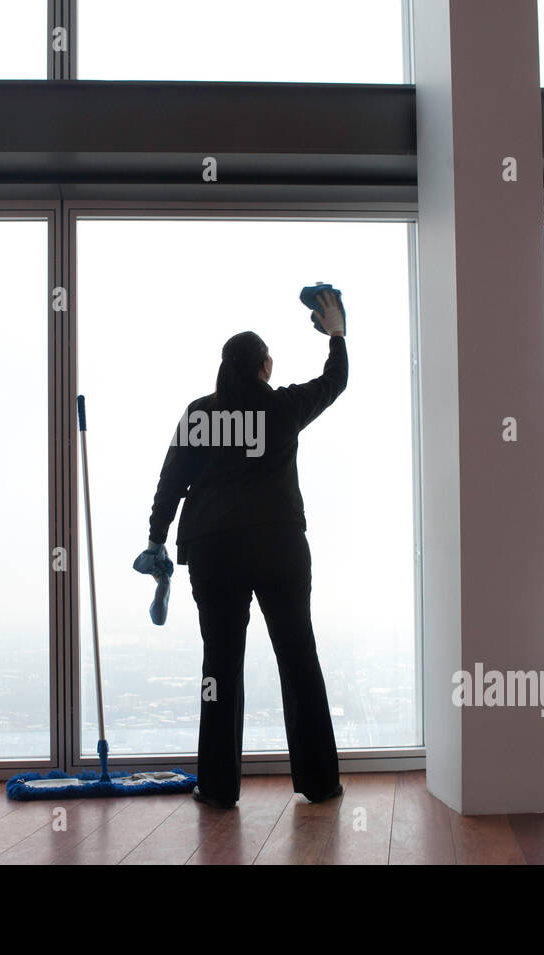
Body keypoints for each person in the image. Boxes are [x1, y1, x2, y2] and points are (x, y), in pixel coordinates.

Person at [139, 290, 348, 809]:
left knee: (220, 665)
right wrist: (337, 335)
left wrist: (156, 538)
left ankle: (215, 786)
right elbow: (334, 382)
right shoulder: (281, 406)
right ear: (265, 366)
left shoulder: (199, 414)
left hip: (214, 551)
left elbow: (171, 480)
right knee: (298, 656)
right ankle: (320, 782)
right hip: (278, 546)